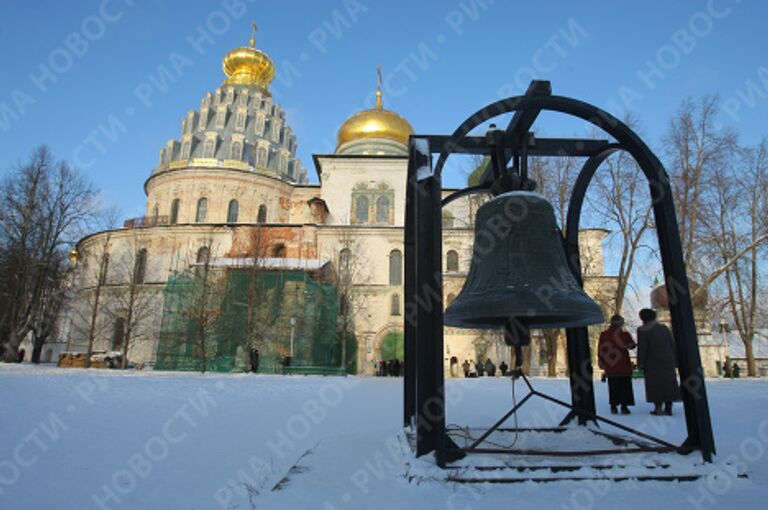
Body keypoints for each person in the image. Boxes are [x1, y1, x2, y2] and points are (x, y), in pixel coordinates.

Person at [636, 308, 681, 416]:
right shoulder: (663, 328)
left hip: (652, 362)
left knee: (655, 385)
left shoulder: (642, 330)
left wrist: (640, 363)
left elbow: (643, 348)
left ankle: (658, 407)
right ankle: (669, 407)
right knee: (668, 383)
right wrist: (675, 359)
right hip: (667, 360)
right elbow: (672, 343)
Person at [597, 314, 636, 415]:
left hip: (611, 365)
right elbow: (632, 346)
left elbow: (601, 349)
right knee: (625, 386)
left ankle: (613, 406)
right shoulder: (625, 335)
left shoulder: (604, 334)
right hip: (623, 364)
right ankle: (624, 406)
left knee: (613, 386)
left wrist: (602, 362)